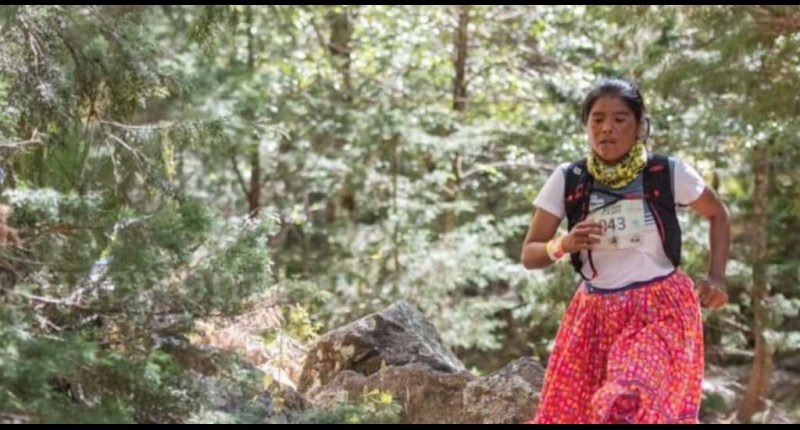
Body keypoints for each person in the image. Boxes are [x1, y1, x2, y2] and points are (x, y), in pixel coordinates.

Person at [520, 78, 730, 424]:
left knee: (629, 397)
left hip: (659, 309)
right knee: (573, 414)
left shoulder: (666, 173)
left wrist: (716, 276)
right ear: (587, 125)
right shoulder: (569, 179)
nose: (607, 128)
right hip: (593, 313)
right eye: (598, 119)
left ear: (640, 127)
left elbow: (718, 213)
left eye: (620, 119)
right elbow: (530, 254)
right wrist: (564, 244)